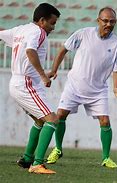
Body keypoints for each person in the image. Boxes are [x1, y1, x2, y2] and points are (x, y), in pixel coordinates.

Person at [46, 7, 117, 168]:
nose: (108, 24)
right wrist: (54, 70)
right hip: (74, 85)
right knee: (60, 115)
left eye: (112, 21)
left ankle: (106, 158)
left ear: (115, 23)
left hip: (98, 90)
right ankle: (58, 149)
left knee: (105, 121)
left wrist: (116, 91)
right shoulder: (83, 34)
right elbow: (63, 49)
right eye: (105, 20)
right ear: (98, 20)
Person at [0, 3, 60, 174]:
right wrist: (42, 76)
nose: (53, 28)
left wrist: (42, 74)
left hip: (19, 82)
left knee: (40, 121)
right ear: (42, 21)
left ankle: (27, 159)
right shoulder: (38, 32)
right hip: (26, 84)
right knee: (52, 119)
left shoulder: (21, 29)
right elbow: (30, 51)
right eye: (52, 23)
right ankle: (37, 164)